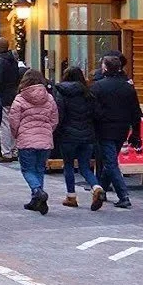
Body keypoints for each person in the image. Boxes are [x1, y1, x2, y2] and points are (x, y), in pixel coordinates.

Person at [90, 52, 143, 208]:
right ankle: (103, 190)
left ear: (105, 68)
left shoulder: (98, 87)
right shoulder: (128, 87)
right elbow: (135, 111)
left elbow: (94, 110)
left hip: (104, 128)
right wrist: (136, 131)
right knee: (110, 161)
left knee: (111, 162)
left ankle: (123, 195)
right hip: (122, 128)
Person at [54, 66, 106, 210]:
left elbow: (60, 114)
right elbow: (97, 114)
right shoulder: (88, 93)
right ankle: (96, 187)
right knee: (84, 167)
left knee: (69, 165)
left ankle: (71, 196)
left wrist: (56, 131)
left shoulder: (61, 93)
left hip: (68, 135)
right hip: (87, 135)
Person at [8, 69, 58, 215]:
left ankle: (37, 191)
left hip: (26, 139)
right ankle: (37, 200)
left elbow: (13, 120)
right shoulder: (49, 98)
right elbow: (54, 119)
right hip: (45, 138)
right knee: (39, 169)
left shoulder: (20, 99)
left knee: (28, 170)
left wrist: (17, 134)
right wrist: (48, 131)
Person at [0, 38, 20, 160]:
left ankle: (6, 151)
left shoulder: (0, 62)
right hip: (13, 94)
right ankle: (14, 149)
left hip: (3, 96)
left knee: (4, 124)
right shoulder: (13, 61)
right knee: (12, 122)